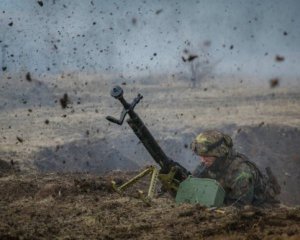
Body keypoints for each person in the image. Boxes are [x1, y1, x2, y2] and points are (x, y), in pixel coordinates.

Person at [191, 130, 280, 206]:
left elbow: (239, 207)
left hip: (260, 209)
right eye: (201, 156)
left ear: (220, 154)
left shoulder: (241, 173)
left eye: (207, 156)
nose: (202, 160)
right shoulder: (208, 165)